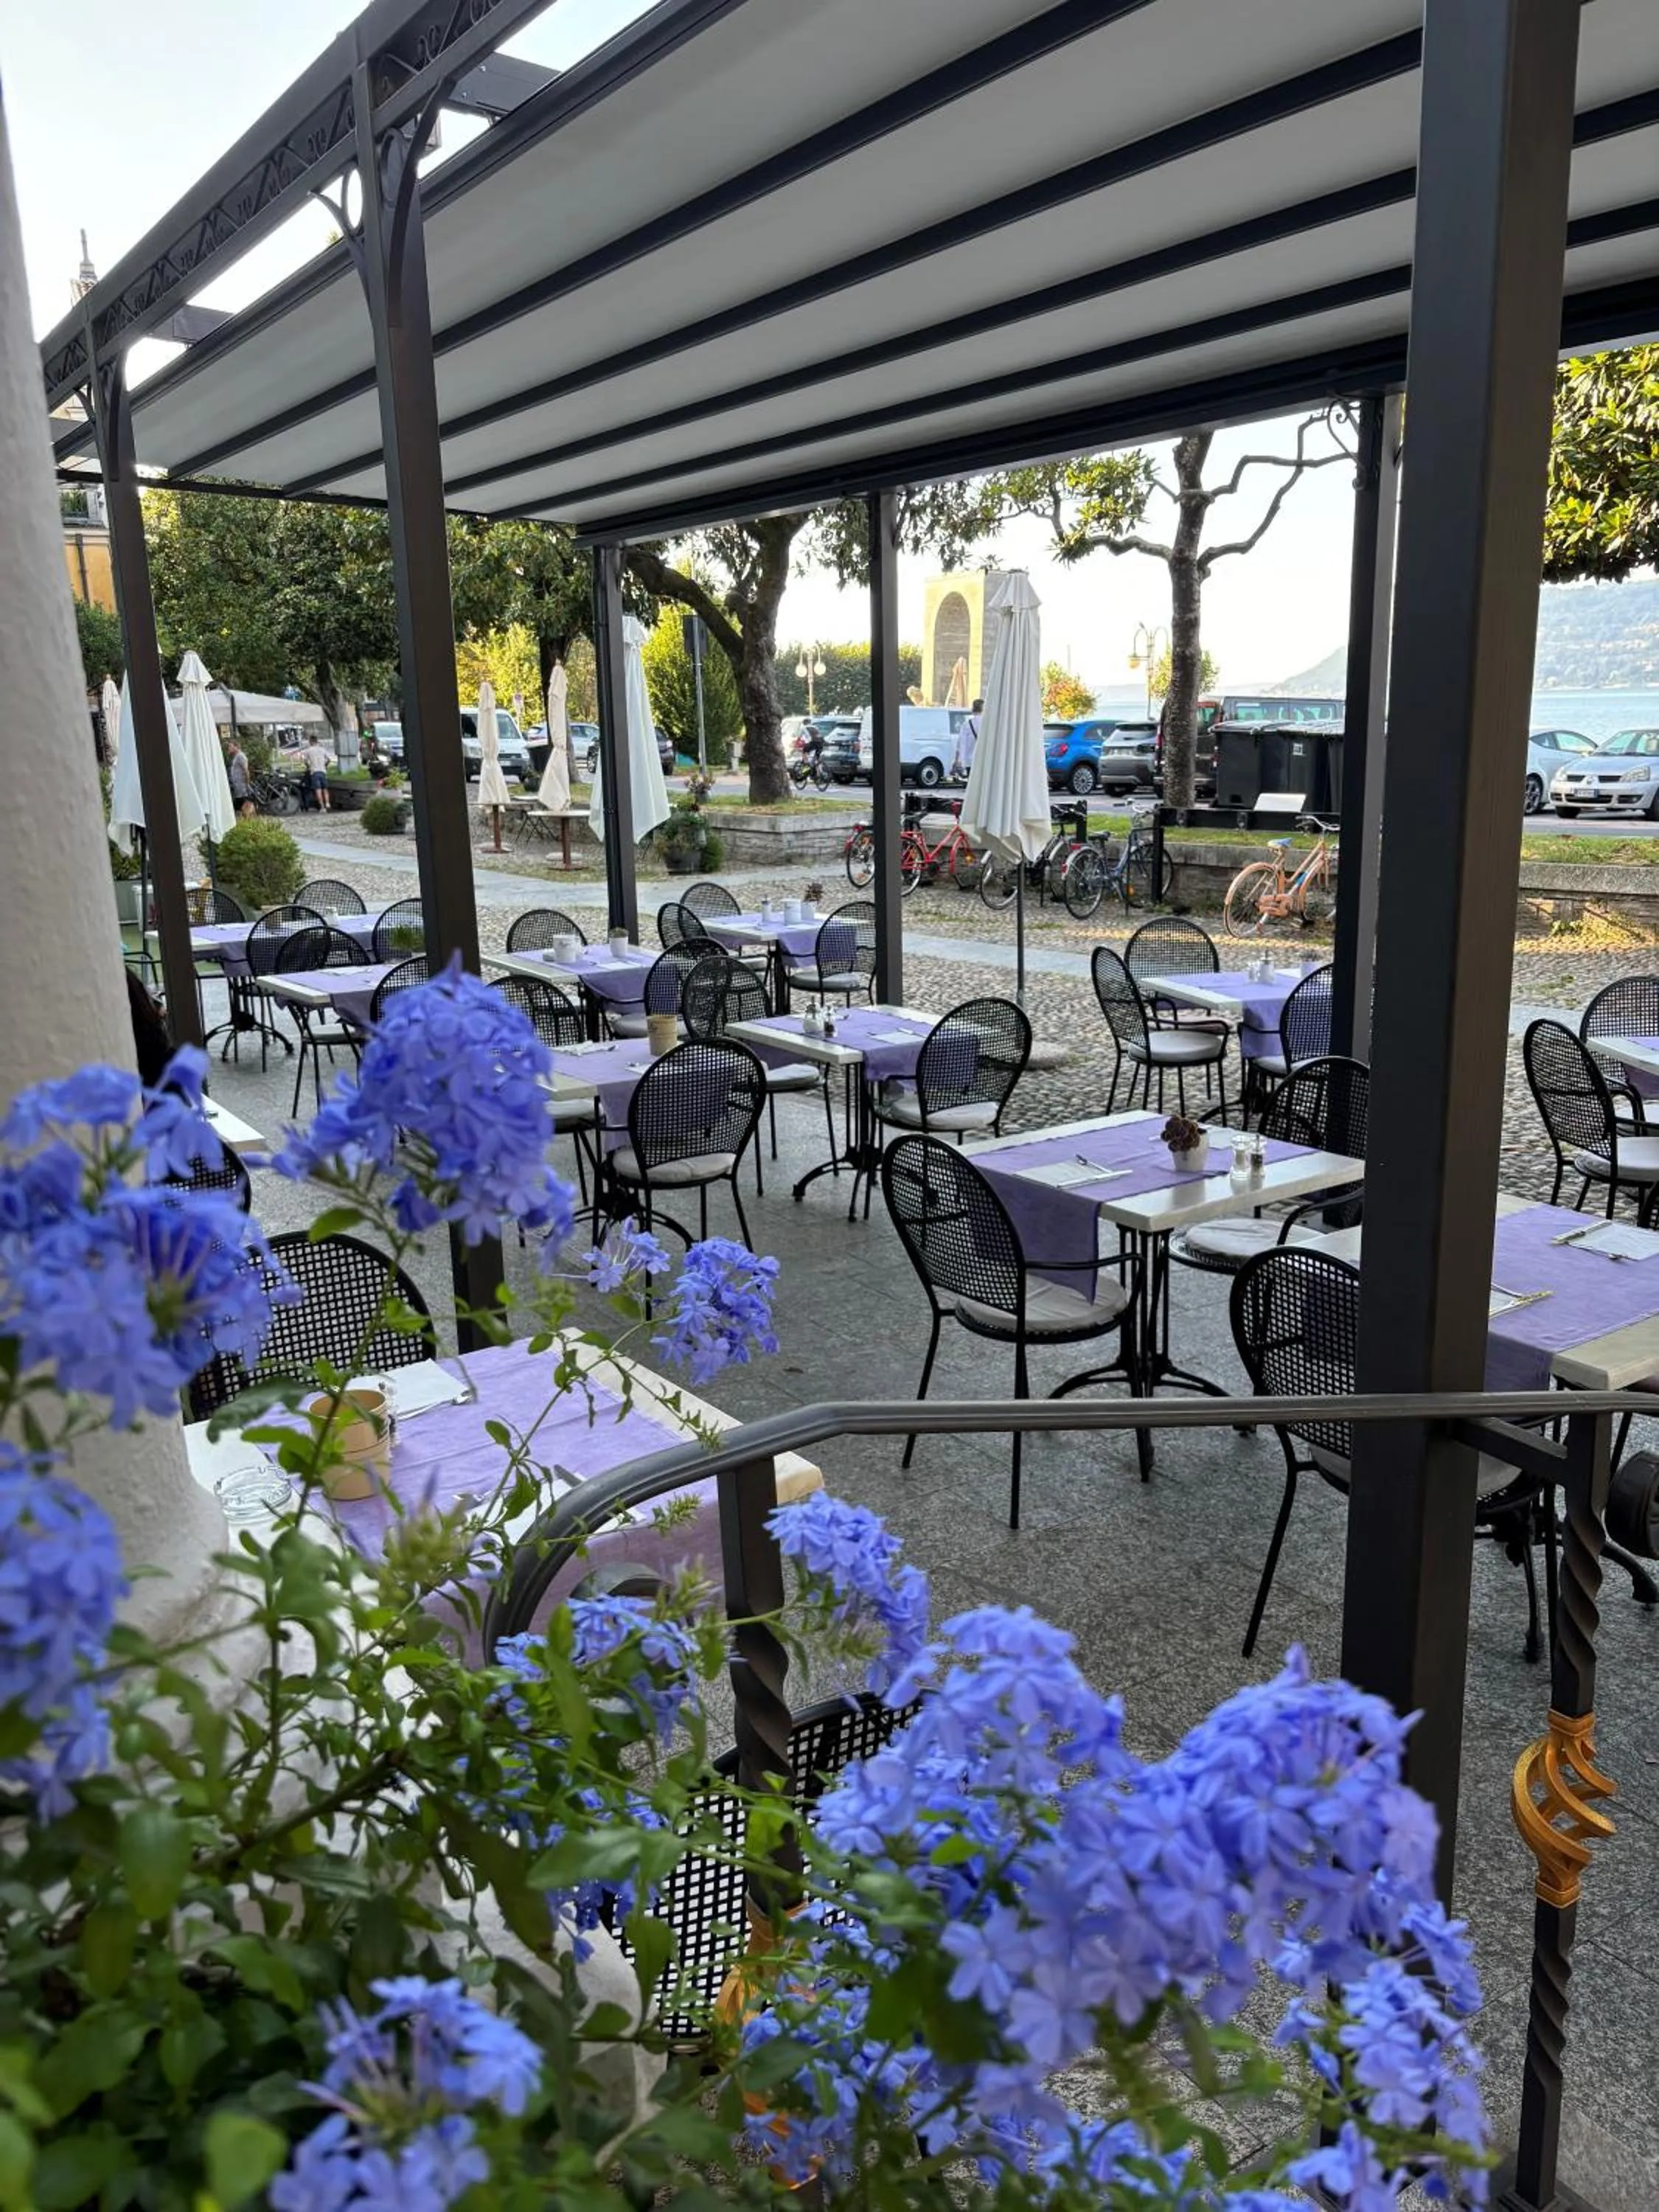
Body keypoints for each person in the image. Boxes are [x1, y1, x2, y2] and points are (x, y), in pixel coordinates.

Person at [953, 698, 983, 782]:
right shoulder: (988, 723)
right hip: (985, 760)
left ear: (973, 709)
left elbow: (961, 744)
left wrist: (958, 761)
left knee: (972, 783)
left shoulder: (967, 724)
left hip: (970, 761)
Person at [225, 739, 254, 818]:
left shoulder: (241, 756)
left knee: (242, 804)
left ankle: (247, 819)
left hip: (242, 786)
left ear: (236, 747)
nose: (229, 748)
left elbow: (246, 770)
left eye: (231, 746)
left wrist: (247, 784)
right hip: (238, 786)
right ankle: (244, 818)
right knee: (240, 804)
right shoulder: (236, 757)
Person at [303, 737, 332, 812]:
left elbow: (305, 761)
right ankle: (328, 804)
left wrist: (308, 767)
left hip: (314, 772)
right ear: (317, 741)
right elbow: (329, 760)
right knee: (325, 789)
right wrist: (325, 766)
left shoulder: (308, 751)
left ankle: (322, 807)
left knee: (318, 790)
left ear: (310, 742)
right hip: (323, 771)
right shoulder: (322, 749)